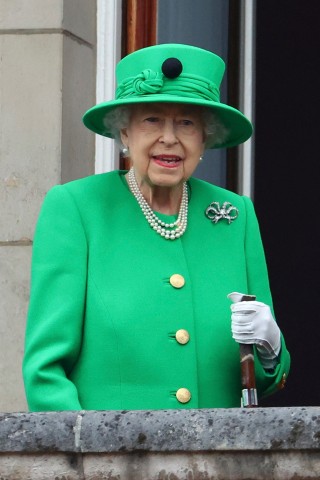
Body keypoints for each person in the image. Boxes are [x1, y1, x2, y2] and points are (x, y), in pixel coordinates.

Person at [23, 43, 290, 411]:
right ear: (125, 133)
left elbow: (262, 380)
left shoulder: (235, 216)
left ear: (204, 139)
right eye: (151, 119)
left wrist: (270, 350)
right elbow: (45, 373)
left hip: (218, 459)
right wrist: (91, 460)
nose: (169, 137)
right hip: (111, 462)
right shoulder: (76, 208)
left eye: (187, 122)